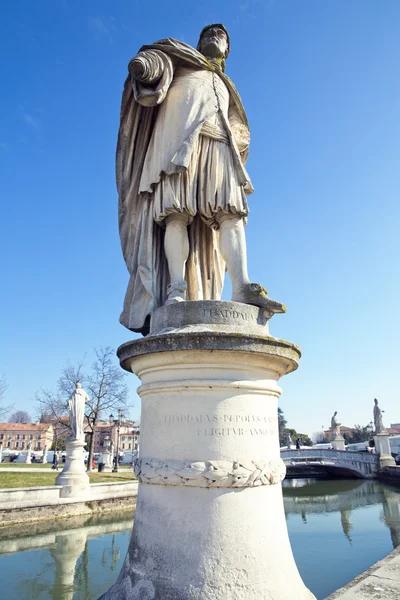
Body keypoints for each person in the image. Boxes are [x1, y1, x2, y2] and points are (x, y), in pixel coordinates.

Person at [117, 24, 285, 334]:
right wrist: (147, 66)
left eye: (221, 36)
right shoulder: (182, 62)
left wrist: (239, 139)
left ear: (227, 51)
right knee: (175, 214)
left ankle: (242, 286)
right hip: (177, 147)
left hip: (220, 148)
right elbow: (158, 67)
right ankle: (176, 290)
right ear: (198, 42)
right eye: (209, 33)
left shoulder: (226, 84)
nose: (215, 36)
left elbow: (240, 126)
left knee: (232, 213)